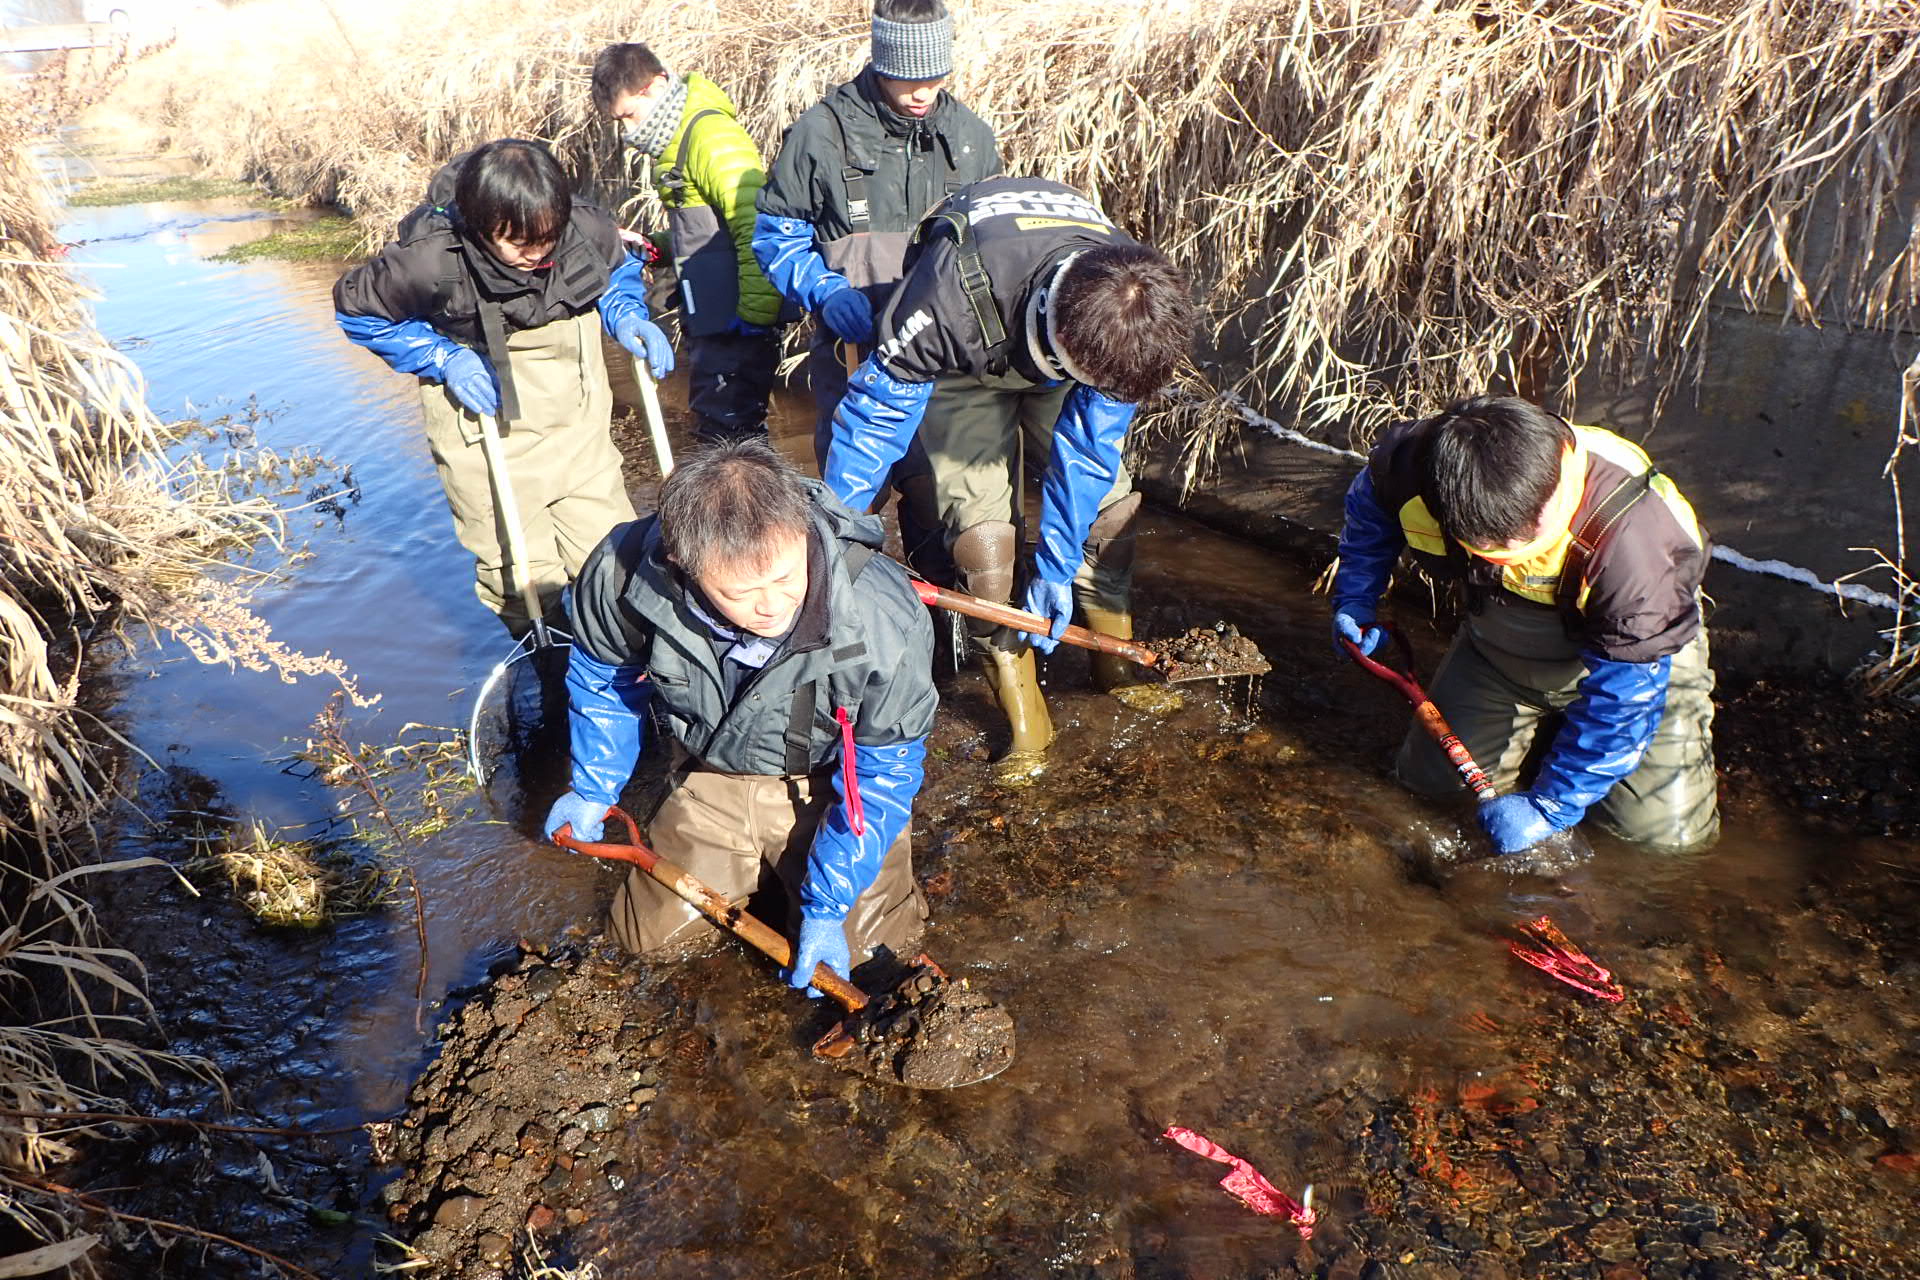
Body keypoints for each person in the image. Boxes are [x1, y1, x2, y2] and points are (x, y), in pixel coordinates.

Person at [820, 175, 1197, 782]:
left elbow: (1086, 452)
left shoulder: (1133, 309)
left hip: (1068, 351)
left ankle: (1116, 666)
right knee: (983, 543)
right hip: (966, 355)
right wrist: (834, 529)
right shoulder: (940, 301)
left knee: (1110, 513)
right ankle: (1026, 718)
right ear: (1065, 339)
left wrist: (1056, 562)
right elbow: (875, 422)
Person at [542, 439, 935, 990]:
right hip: (713, 777)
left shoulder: (882, 617)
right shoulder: (621, 573)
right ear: (683, 565)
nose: (772, 606)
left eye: (785, 579)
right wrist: (593, 785)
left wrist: (827, 904)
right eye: (742, 592)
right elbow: (604, 684)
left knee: (871, 957)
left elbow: (883, 773)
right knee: (643, 945)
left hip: (831, 785)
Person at [1330, 394, 1719, 855]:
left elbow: (1624, 703)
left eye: (1524, 536)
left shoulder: (1635, 545)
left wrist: (1553, 806)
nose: (1510, 546)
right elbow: (1371, 512)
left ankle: (1566, 758)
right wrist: (1356, 598)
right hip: (1502, 650)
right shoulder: (1415, 463)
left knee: (1663, 843)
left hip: (1642, 658)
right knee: (1427, 791)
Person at [334, 139, 674, 637]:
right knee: (524, 582)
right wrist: (441, 357)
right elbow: (357, 312)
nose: (538, 255)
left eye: (548, 239)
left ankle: (622, 672)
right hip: (487, 435)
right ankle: (548, 668)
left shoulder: (584, 227)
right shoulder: (427, 262)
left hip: (577, 428)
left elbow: (619, 268)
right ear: (481, 228)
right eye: (520, 244)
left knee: (614, 561)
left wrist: (625, 311)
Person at [753, 0, 1000, 580]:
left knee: (944, 515)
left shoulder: (968, 137)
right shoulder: (822, 132)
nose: (921, 92)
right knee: (851, 515)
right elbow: (775, 235)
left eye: (933, 77)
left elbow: (991, 242)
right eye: (906, 78)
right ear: (879, 59)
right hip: (854, 358)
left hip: (946, 368)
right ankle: (853, 632)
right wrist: (822, 289)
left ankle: (946, 647)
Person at [592, 43, 784, 444]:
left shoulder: (711, 138)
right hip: (715, 325)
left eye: (629, 115)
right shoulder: (677, 144)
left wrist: (753, 320)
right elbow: (708, 234)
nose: (628, 132)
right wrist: (657, 246)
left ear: (656, 85)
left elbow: (758, 230)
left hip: (737, 328)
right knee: (722, 440)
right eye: (619, 122)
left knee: (730, 447)